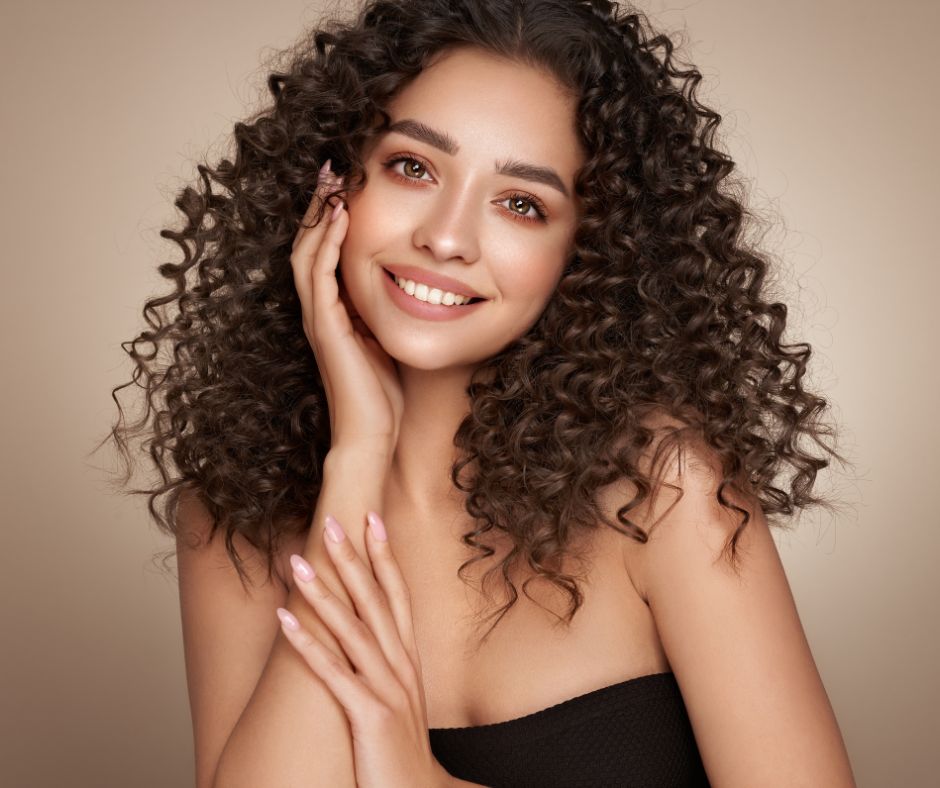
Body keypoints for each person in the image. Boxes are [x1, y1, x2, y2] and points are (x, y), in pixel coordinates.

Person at [106, 0, 858, 785]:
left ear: (588, 253)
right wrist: (358, 455)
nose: (448, 237)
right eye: (413, 167)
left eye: (521, 204)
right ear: (331, 185)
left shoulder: (665, 489)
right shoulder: (236, 514)